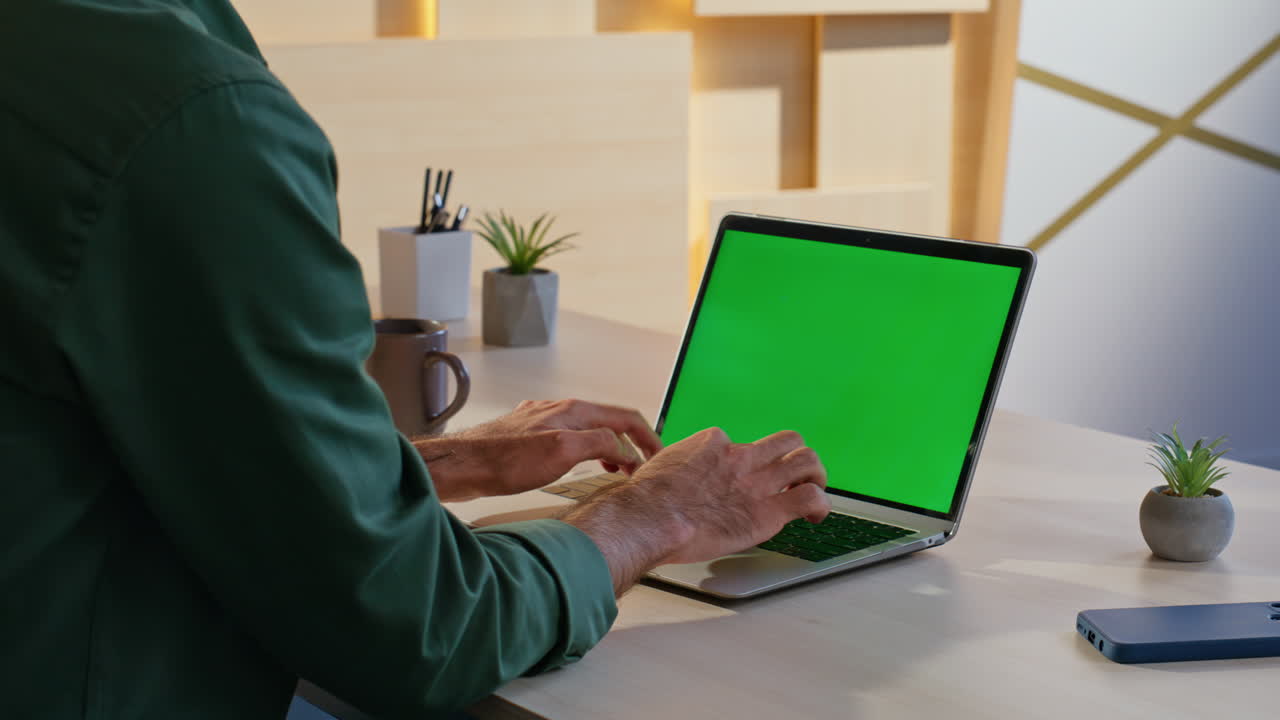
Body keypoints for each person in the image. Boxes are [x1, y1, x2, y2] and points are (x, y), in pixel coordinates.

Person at [0, 1, 830, 718]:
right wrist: (656, 515)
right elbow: (421, 629)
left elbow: (112, 451)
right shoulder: (187, 117)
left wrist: (432, 463)